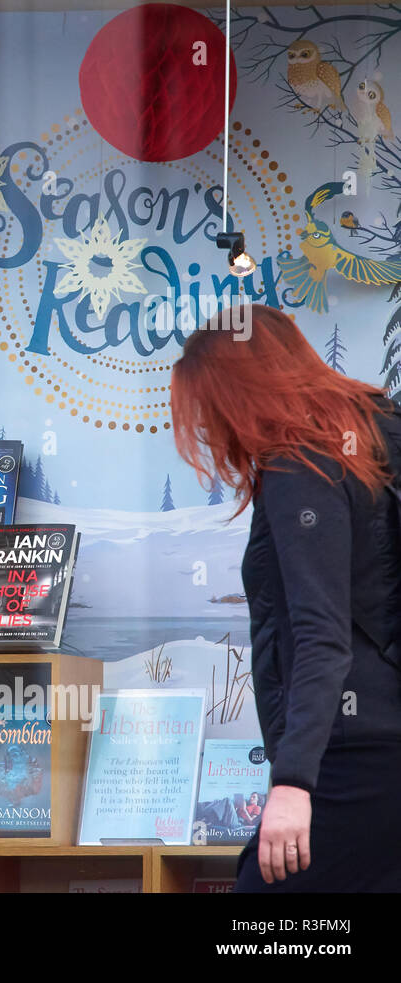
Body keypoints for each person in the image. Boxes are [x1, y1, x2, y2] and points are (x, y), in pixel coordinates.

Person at [171, 303, 401, 892]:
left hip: (349, 756)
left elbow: (323, 634)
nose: (209, 426)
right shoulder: (371, 437)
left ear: (239, 391)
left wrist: (294, 782)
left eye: (210, 405)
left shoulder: (301, 463)